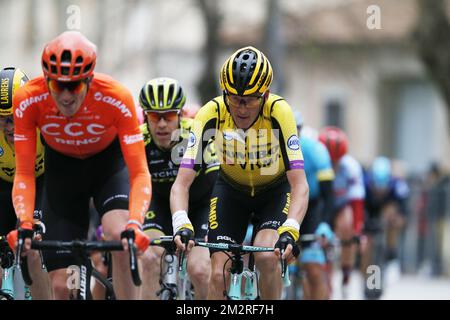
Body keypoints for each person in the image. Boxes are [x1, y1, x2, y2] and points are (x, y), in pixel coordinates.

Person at [7, 31, 151, 300]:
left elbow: (140, 172)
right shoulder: (28, 100)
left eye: (73, 86)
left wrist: (135, 223)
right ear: (46, 80)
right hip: (64, 175)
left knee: (120, 236)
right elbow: (25, 171)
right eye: (57, 85)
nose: (64, 96)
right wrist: (25, 221)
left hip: (108, 168)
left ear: (88, 79)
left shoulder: (116, 97)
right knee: (63, 287)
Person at [170, 46, 309, 300]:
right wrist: (181, 221)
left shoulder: (280, 112)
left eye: (250, 100)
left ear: (265, 96)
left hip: (273, 191)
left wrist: (291, 228)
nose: (242, 108)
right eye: (234, 98)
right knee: (217, 274)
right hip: (230, 191)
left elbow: (299, 184)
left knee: (267, 257)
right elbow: (182, 183)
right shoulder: (211, 113)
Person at [138, 77, 218, 300]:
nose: (162, 124)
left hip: (200, 204)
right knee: (149, 258)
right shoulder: (138, 139)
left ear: (181, 115)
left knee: (200, 270)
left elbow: (217, 183)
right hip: (159, 204)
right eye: (154, 116)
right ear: (145, 116)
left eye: (169, 116)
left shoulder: (197, 135)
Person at [0, 66, 52, 299]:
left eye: (14, 117)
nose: (10, 127)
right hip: (3, 187)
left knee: (34, 246)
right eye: (3, 119)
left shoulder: (43, 123)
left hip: (39, 183)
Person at [318, 126, 365, 299]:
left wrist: (357, 232)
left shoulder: (351, 167)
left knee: (347, 225)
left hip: (340, 205)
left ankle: (345, 274)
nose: (332, 165)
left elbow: (357, 201)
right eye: (329, 161)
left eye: (336, 161)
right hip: (320, 204)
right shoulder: (315, 161)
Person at [294, 111, 335, 300]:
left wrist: (326, 223)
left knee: (313, 268)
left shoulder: (316, 151)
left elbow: (328, 194)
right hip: (286, 204)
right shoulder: (269, 149)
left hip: (312, 206)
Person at [360, 156, 409, 299]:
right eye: (377, 188)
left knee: (392, 213)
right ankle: (366, 279)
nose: (380, 192)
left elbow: (404, 210)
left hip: (386, 213)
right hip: (370, 211)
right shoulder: (364, 184)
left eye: (383, 188)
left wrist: (398, 220)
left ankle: (391, 256)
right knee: (367, 246)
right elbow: (358, 206)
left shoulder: (397, 185)